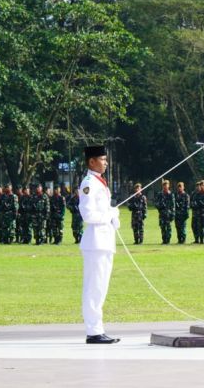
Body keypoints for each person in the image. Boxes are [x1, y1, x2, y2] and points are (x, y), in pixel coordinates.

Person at [78, 145, 121, 345]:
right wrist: (108, 215)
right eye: (102, 159)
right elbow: (88, 215)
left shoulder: (99, 182)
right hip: (95, 242)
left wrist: (113, 215)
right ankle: (94, 331)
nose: (105, 162)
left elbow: (102, 211)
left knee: (100, 287)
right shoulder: (89, 183)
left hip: (104, 241)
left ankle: (97, 328)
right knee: (94, 287)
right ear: (92, 161)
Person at [154, 180, 175, 244]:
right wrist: (160, 205)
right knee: (162, 227)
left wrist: (172, 214)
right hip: (162, 213)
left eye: (166, 185)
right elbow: (156, 203)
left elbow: (173, 205)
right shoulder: (160, 194)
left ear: (168, 186)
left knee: (168, 228)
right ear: (163, 186)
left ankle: (168, 240)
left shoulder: (171, 194)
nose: (165, 187)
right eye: (164, 185)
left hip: (168, 214)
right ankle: (164, 240)